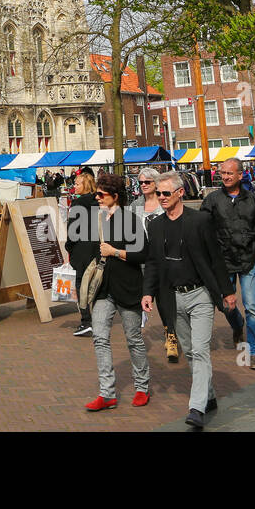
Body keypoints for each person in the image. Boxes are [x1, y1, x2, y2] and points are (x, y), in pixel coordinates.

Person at [141, 172, 235, 430]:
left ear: (180, 193)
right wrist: (147, 292)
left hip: (200, 295)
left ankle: (196, 407)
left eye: (165, 193)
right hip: (171, 298)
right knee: (190, 351)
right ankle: (209, 394)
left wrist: (227, 292)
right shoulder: (155, 225)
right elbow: (152, 263)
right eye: (157, 193)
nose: (160, 197)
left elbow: (216, 258)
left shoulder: (200, 221)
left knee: (201, 349)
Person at [199, 157, 255, 371]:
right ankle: (237, 325)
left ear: (240, 175)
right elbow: (201, 228)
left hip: (248, 261)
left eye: (229, 173)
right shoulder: (212, 200)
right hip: (223, 263)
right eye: (222, 173)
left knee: (252, 307)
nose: (225, 177)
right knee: (225, 305)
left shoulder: (254, 200)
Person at [86, 173, 150, 411]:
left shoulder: (130, 220)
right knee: (100, 337)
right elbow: (94, 252)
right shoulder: (97, 219)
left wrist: (115, 252)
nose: (97, 197)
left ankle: (142, 387)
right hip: (104, 289)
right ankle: (107, 393)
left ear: (115, 196)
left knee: (133, 339)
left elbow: (143, 254)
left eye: (101, 194)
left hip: (128, 287)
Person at [135, 166, 179, 363]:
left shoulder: (166, 202)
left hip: (165, 259)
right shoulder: (135, 205)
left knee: (165, 299)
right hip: (142, 260)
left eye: (147, 182)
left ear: (156, 183)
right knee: (148, 298)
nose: (143, 185)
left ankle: (171, 335)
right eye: (141, 182)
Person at [66, 167, 100, 337]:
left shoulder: (78, 204)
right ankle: (98, 319)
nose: (74, 186)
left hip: (81, 249)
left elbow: (73, 230)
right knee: (96, 282)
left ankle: (86, 321)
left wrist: (68, 246)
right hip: (97, 247)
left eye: (78, 183)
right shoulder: (99, 201)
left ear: (85, 185)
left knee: (82, 284)